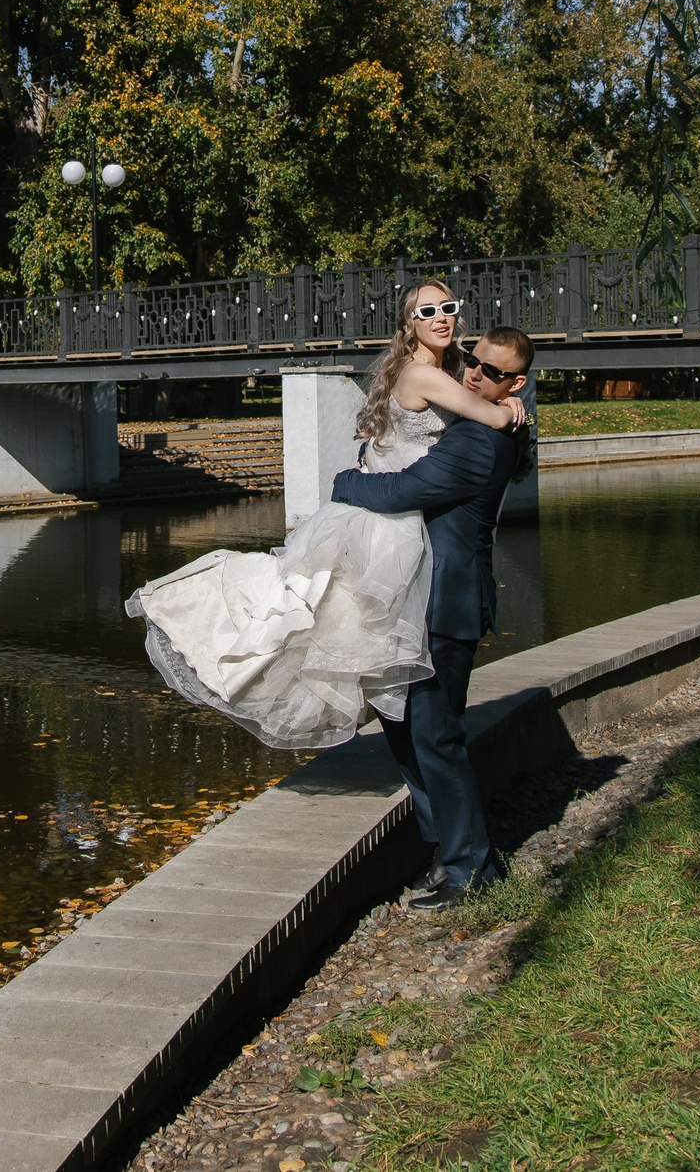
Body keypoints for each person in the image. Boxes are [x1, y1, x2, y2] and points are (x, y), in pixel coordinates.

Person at [123, 282, 526, 754]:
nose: (441, 317)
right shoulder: (427, 375)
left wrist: (498, 397)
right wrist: (507, 406)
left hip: (405, 516)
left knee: (363, 639)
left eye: (449, 308)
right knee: (345, 630)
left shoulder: (452, 371)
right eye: (428, 311)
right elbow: (493, 422)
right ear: (408, 322)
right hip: (389, 517)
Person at [326, 325, 537, 910]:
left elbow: (400, 493)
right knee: (401, 727)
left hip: (448, 603)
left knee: (434, 735)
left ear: (514, 383)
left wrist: (345, 481)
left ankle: (473, 868)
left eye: (492, 373)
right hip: (416, 599)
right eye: (473, 362)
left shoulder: (480, 444)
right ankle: (444, 851)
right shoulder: (473, 421)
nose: (474, 375)